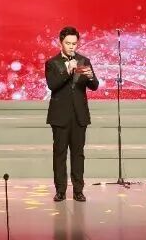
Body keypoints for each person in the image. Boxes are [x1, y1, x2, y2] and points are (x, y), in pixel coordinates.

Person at [45, 26, 99, 202]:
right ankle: (60, 190)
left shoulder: (84, 60)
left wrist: (91, 77)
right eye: (68, 43)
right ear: (60, 42)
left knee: (78, 154)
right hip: (60, 116)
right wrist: (68, 70)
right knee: (60, 154)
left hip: (79, 115)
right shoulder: (52, 63)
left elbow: (94, 86)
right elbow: (52, 85)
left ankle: (78, 190)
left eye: (74, 43)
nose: (71, 46)